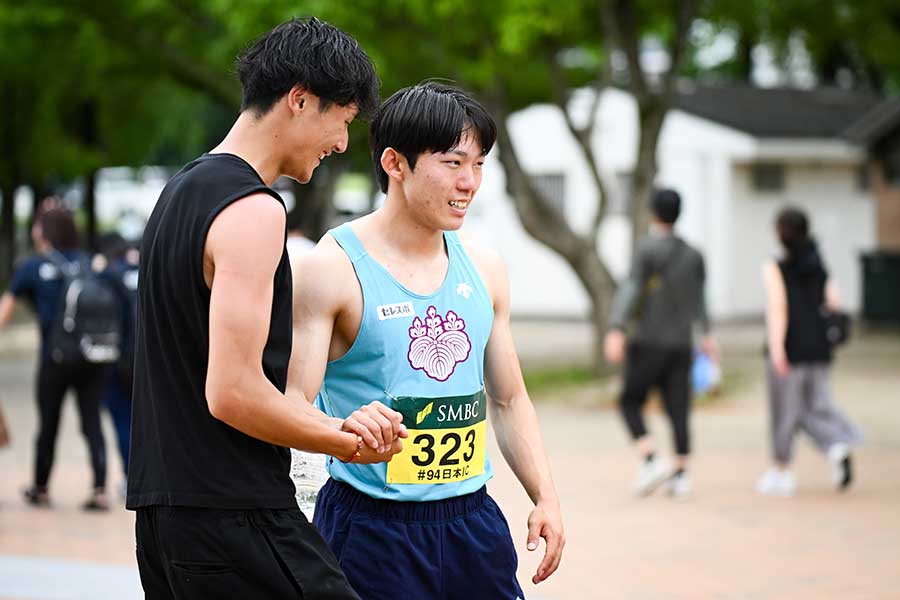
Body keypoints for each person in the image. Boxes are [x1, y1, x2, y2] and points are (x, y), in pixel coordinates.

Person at [127, 18, 406, 599]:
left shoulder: (180, 192)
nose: (342, 143)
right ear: (299, 100)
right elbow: (233, 391)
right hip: (233, 515)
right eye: (343, 120)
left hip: (164, 516)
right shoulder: (253, 209)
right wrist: (342, 436)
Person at [290, 82, 565, 600]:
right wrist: (342, 428)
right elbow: (291, 406)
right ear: (395, 163)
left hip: (472, 524)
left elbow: (509, 400)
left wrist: (545, 496)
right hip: (370, 530)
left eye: (478, 164)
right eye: (453, 163)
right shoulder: (331, 267)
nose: (470, 182)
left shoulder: (485, 268)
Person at [604, 188, 716, 499]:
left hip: (648, 341)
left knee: (629, 401)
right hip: (681, 343)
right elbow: (700, 299)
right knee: (678, 406)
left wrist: (616, 328)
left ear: (654, 212)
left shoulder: (646, 249)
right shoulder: (693, 255)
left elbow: (632, 288)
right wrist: (707, 334)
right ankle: (681, 475)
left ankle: (652, 458)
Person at [0, 205, 110, 510]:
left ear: (42, 231)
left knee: (48, 422)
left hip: (55, 357)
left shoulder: (33, 266)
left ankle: (41, 487)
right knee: (92, 421)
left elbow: (5, 312)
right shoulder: (89, 263)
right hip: (92, 355)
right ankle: (100, 488)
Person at [756, 207, 862, 497]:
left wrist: (777, 348)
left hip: (791, 347)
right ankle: (836, 445)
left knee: (785, 411)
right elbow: (834, 301)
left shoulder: (776, 265)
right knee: (815, 406)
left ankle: (782, 471)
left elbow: (778, 307)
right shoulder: (818, 262)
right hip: (819, 347)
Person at [96, 232, 139, 495]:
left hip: (117, 360)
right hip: (150, 359)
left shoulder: (107, 275)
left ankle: (129, 476)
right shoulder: (146, 268)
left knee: (123, 420)